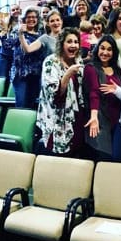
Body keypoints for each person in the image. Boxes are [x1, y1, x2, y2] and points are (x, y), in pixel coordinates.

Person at [36, 28, 86, 156]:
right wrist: (68, 74)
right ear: (61, 44)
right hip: (56, 119)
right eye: (69, 41)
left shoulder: (78, 61)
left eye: (76, 42)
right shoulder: (51, 61)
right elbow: (54, 96)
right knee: (57, 157)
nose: (73, 45)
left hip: (76, 117)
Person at [82, 35, 121, 161]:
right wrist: (94, 117)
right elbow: (94, 93)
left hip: (118, 123)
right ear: (97, 49)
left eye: (109, 49)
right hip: (99, 121)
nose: (105, 52)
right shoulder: (91, 68)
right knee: (103, 158)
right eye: (102, 48)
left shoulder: (118, 71)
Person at [12, 7, 46, 108]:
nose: (31, 19)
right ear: (24, 19)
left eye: (34, 17)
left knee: (31, 104)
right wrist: (20, 33)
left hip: (35, 75)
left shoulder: (41, 35)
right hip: (21, 74)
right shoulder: (17, 32)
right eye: (28, 17)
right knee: (21, 104)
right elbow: (10, 46)